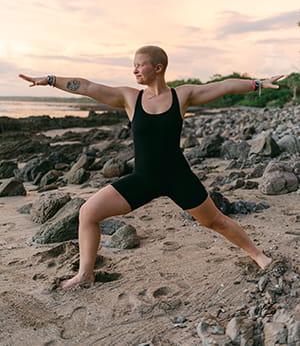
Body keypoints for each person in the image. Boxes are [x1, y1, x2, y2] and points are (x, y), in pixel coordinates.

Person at [19, 45, 283, 289]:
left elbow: (223, 86)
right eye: (133, 65)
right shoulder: (129, 98)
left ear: (158, 67)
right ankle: (85, 274)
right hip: (143, 179)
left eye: (139, 64)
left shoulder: (182, 95)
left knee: (216, 222)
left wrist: (258, 83)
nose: (134, 69)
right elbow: (87, 86)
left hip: (177, 177)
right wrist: (51, 80)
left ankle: (259, 257)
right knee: (88, 212)